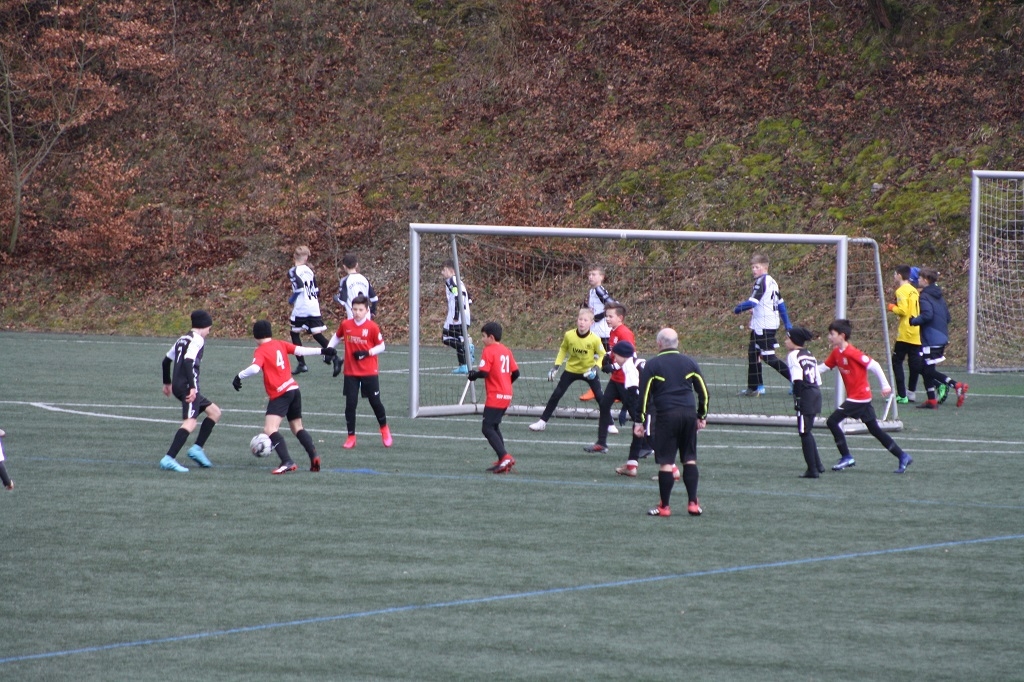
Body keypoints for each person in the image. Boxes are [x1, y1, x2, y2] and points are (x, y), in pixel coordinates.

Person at [231, 320, 337, 474]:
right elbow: (300, 350)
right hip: (294, 389)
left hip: (280, 393)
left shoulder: (260, 350)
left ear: (256, 336)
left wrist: (239, 376)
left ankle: (287, 461)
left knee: (270, 429)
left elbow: (254, 369)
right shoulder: (280, 343)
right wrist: (323, 351)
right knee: (297, 427)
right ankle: (313, 456)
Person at [819, 319, 913, 474]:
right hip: (858, 398)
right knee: (875, 430)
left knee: (832, 421)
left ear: (842, 336)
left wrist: (885, 385)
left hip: (859, 398)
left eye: (832, 334)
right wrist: (806, 372)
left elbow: (874, 365)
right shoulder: (836, 353)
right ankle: (902, 456)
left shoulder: (852, 352)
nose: (829, 337)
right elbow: (823, 367)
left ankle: (846, 456)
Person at [634, 328, 709, 517]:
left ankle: (664, 507)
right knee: (689, 458)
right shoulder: (690, 362)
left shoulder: (652, 365)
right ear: (677, 342)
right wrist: (701, 415)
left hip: (666, 416)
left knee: (666, 462)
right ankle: (693, 503)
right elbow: (704, 392)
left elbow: (643, 396)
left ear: (659, 343)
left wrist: (639, 421)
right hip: (688, 414)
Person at [326, 294, 393, 449]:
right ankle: (351, 436)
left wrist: (367, 353)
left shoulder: (372, 327)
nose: (357, 312)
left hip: (369, 371)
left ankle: (384, 428)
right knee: (350, 404)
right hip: (351, 372)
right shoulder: (346, 324)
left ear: (367, 310)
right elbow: (336, 337)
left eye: (360, 309)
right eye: (355, 309)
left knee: (375, 402)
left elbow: (382, 346)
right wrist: (328, 349)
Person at [159, 310, 221, 473]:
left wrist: (167, 382)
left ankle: (197, 449)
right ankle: (169, 458)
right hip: (188, 386)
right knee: (190, 422)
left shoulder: (183, 338)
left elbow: (166, 361)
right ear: (203, 325)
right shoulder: (197, 339)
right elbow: (188, 361)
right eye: (209, 328)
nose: (209, 332)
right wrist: (193, 387)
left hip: (179, 385)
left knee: (214, 412)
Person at [528, 308, 606, 431]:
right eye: (580, 319)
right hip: (571, 370)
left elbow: (602, 354)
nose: (582, 322)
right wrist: (556, 367)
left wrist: (595, 368)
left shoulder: (595, 339)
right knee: (556, 394)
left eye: (585, 320)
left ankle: (609, 423)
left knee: (600, 396)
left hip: (588, 371)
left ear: (591, 323)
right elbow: (563, 349)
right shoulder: (569, 335)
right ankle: (542, 422)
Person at [733, 253, 792, 396]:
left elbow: (753, 302)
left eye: (756, 267)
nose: (753, 270)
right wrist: (787, 324)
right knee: (753, 353)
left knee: (768, 357)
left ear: (765, 267)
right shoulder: (772, 281)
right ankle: (755, 387)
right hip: (762, 324)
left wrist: (737, 309)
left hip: (764, 326)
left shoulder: (762, 281)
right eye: (752, 267)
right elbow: (780, 304)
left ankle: (798, 381)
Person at [910, 268, 968, 409]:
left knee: (927, 370)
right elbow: (947, 317)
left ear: (926, 280)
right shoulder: (938, 295)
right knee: (925, 368)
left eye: (920, 278)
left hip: (931, 338)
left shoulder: (924, 296)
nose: (918, 280)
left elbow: (927, 315)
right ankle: (931, 400)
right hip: (941, 335)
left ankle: (956, 385)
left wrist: (914, 321)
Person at [467, 321, 520, 473]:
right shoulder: (506, 350)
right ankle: (502, 459)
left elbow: (484, 372)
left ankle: (505, 456)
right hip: (507, 394)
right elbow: (516, 373)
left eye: (483, 336)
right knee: (494, 426)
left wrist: (473, 375)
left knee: (487, 427)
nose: (482, 339)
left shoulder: (489, 350)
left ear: (491, 337)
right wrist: (506, 383)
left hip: (495, 395)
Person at [585, 304, 635, 452]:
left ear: (620, 318)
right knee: (604, 405)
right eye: (606, 316)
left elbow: (631, 357)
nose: (607, 319)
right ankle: (601, 443)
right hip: (615, 379)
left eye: (610, 316)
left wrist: (613, 366)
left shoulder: (625, 333)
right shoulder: (613, 331)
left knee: (635, 413)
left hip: (626, 380)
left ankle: (649, 444)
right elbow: (614, 351)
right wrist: (607, 357)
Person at [605, 341, 656, 477]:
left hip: (651, 403)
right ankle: (631, 465)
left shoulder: (629, 366)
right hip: (655, 399)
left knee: (651, 437)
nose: (615, 359)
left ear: (622, 355)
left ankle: (671, 469)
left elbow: (633, 392)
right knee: (638, 432)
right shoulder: (638, 361)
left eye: (615, 356)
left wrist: (624, 409)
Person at [784, 326, 824, 479]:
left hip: (806, 394)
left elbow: (797, 379)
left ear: (794, 340)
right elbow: (817, 379)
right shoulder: (809, 354)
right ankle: (818, 465)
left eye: (787, 338)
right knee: (807, 430)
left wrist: (798, 398)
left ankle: (812, 470)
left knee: (803, 432)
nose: (785, 341)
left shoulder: (793, 355)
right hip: (816, 393)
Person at [287, 245, 333, 376]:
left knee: (294, 333)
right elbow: (317, 291)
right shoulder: (309, 271)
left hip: (302, 307)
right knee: (316, 333)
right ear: (306, 258)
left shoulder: (293, 271)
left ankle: (302, 364)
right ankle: (335, 357)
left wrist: (292, 299)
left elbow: (300, 288)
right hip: (314, 305)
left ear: (294, 256)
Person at [579, 265, 617, 401]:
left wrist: (599, 316)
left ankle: (619, 389)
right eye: (589, 274)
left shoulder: (599, 290)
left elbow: (612, 304)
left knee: (608, 361)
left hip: (603, 333)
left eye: (594, 274)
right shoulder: (592, 291)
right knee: (592, 360)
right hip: (595, 333)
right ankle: (595, 390)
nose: (591, 277)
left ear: (602, 277)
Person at [887, 264, 922, 404]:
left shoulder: (901, 291)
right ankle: (911, 392)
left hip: (905, 332)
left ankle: (902, 395)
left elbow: (903, 310)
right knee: (913, 364)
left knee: (897, 362)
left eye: (895, 274)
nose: (894, 276)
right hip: (916, 331)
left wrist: (892, 307)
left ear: (900, 276)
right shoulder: (914, 290)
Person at [441, 259, 474, 374]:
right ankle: (463, 365)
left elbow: (456, 296)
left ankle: (466, 346)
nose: (442, 272)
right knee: (458, 337)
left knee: (445, 337)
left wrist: (455, 314)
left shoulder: (450, 281)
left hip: (456, 317)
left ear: (451, 271)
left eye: (444, 270)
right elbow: (469, 299)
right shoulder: (460, 282)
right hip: (465, 317)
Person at [334, 253, 379, 320]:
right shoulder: (364, 279)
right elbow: (374, 298)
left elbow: (342, 301)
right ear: (356, 265)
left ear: (344, 266)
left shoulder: (345, 281)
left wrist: (336, 297)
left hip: (353, 319)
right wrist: (373, 311)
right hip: (366, 319)